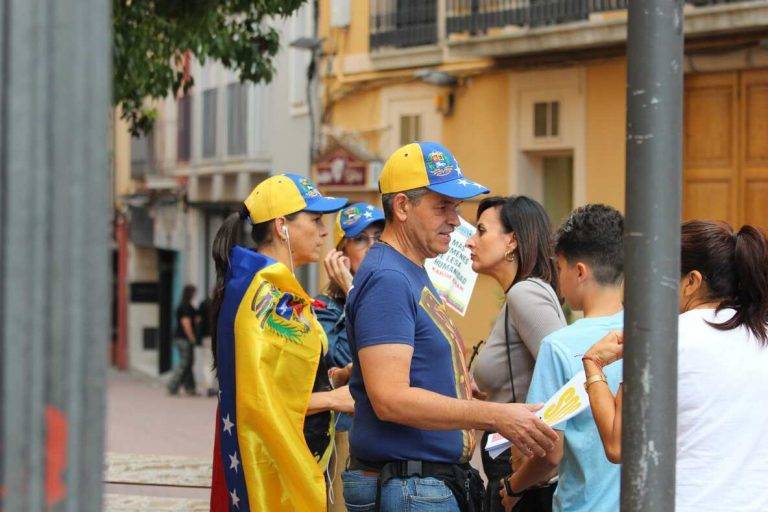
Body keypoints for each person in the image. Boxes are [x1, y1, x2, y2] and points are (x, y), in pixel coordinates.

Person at [342, 141, 558, 512]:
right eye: (442, 206)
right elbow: (390, 398)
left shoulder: (407, 270)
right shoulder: (389, 278)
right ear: (403, 206)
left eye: (456, 208)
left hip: (419, 483)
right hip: (411, 486)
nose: (456, 221)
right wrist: (496, 415)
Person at [582, 220, 768, 512]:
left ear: (691, 281)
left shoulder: (662, 338)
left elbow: (619, 445)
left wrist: (593, 365)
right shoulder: (761, 333)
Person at [208, 173, 355, 511]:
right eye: (315, 219)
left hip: (291, 453)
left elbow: (282, 379)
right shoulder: (264, 295)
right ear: (281, 226)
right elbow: (259, 399)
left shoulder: (271, 286)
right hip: (270, 467)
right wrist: (333, 399)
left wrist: (332, 377)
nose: (324, 231)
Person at [501, 204, 624, 512]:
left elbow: (548, 453)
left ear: (579, 271)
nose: (558, 281)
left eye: (560, 269)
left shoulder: (559, 346)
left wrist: (512, 488)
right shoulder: (653, 336)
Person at [467, 196, 566, 512]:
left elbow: (566, 375)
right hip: (512, 472)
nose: (470, 241)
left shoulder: (525, 293)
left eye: (481, 231)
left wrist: (518, 484)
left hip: (522, 481)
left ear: (511, 241)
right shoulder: (517, 296)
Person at [315, 202, 385, 511]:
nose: (372, 246)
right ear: (341, 254)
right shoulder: (323, 309)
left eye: (378, 237)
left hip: (395, 439)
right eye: (361, 239)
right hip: (350, 439)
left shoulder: (392, 293)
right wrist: (352, 291)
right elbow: (340, 360)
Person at [167, 284, 199, 396]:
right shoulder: (185, 306)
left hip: (181, 338)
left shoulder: (187, 305)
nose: (195, 295)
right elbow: (186, 323)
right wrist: (192, 337)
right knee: (185, 363)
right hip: (184, 339)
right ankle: (172, 386)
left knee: (188, 363)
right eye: (194, 293)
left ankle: (190, 388)